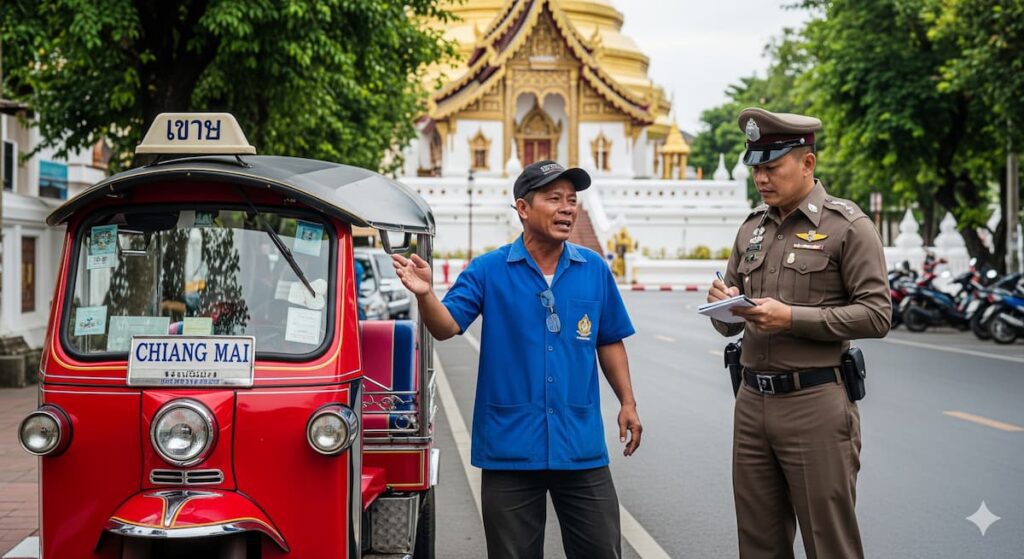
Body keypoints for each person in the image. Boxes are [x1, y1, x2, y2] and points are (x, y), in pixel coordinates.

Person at [393, 160, 642, 559]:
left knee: (601, 551)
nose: (567, 208)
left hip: (579, 444)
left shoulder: (593, 269)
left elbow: (609, 340)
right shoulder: (489, 270)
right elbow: (445, 327)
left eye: (572, 200)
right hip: (510, 446)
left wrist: (628, 402)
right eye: (554, 198)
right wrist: (425, 295)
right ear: (523, 208)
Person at [707, 108, 891, 559]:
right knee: (758, 544)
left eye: (772, 167)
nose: (761, 179)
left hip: (814, 404)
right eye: (756, 169)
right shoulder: (752, 228)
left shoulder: (846, 226)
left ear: (807, 164)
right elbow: (727, 322)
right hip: (751, 403)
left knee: (829, 544)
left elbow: (876, 314)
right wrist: (725, 302)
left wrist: (792, 318)